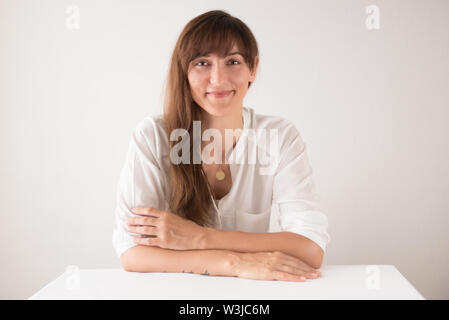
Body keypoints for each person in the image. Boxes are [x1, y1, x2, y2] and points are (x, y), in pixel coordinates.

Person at [112, 10, 330, 282]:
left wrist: (200, 238)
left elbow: (310, 248)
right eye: (202, 63)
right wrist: (234, 263)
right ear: (184, 72)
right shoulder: (152, 136)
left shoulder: (280, 136)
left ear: (253, 68)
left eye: (233, 61)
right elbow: (133, 253)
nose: (218, 79)